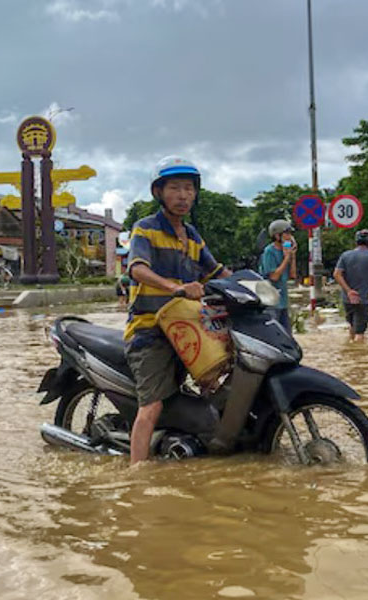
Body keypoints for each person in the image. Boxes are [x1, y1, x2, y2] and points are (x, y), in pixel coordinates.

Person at [125, 156, 232, 465]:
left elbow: (215, 271)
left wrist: (253, 287)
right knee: (152, 406)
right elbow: (137, 269)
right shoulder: (145, 230)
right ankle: (137, 473)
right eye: (175, 188)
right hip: (150, 331)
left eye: (189, 188)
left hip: (188, 326)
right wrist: (175, 287)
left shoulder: (193, 236)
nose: (183, 195)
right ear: (159, 192)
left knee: (217, 377)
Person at [334, 229, 368, 342]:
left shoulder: (345, 255)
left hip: (347, 299)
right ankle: (359, 356)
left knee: (352, 327)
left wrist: (348, 290)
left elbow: (337, 274)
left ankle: (351, 352)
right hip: (362, 299)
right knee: (360, 332)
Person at [259, 219, 297, 331]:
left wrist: (292, 256)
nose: (290, 237)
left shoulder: (286, 251)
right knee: (275, 334)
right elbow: (274, 276)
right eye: (287, 234)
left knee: (287, 336)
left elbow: (293, 275)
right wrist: (286, 258)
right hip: (271, 302)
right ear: (277, 236)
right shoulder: (269, 252)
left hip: (283, 301)